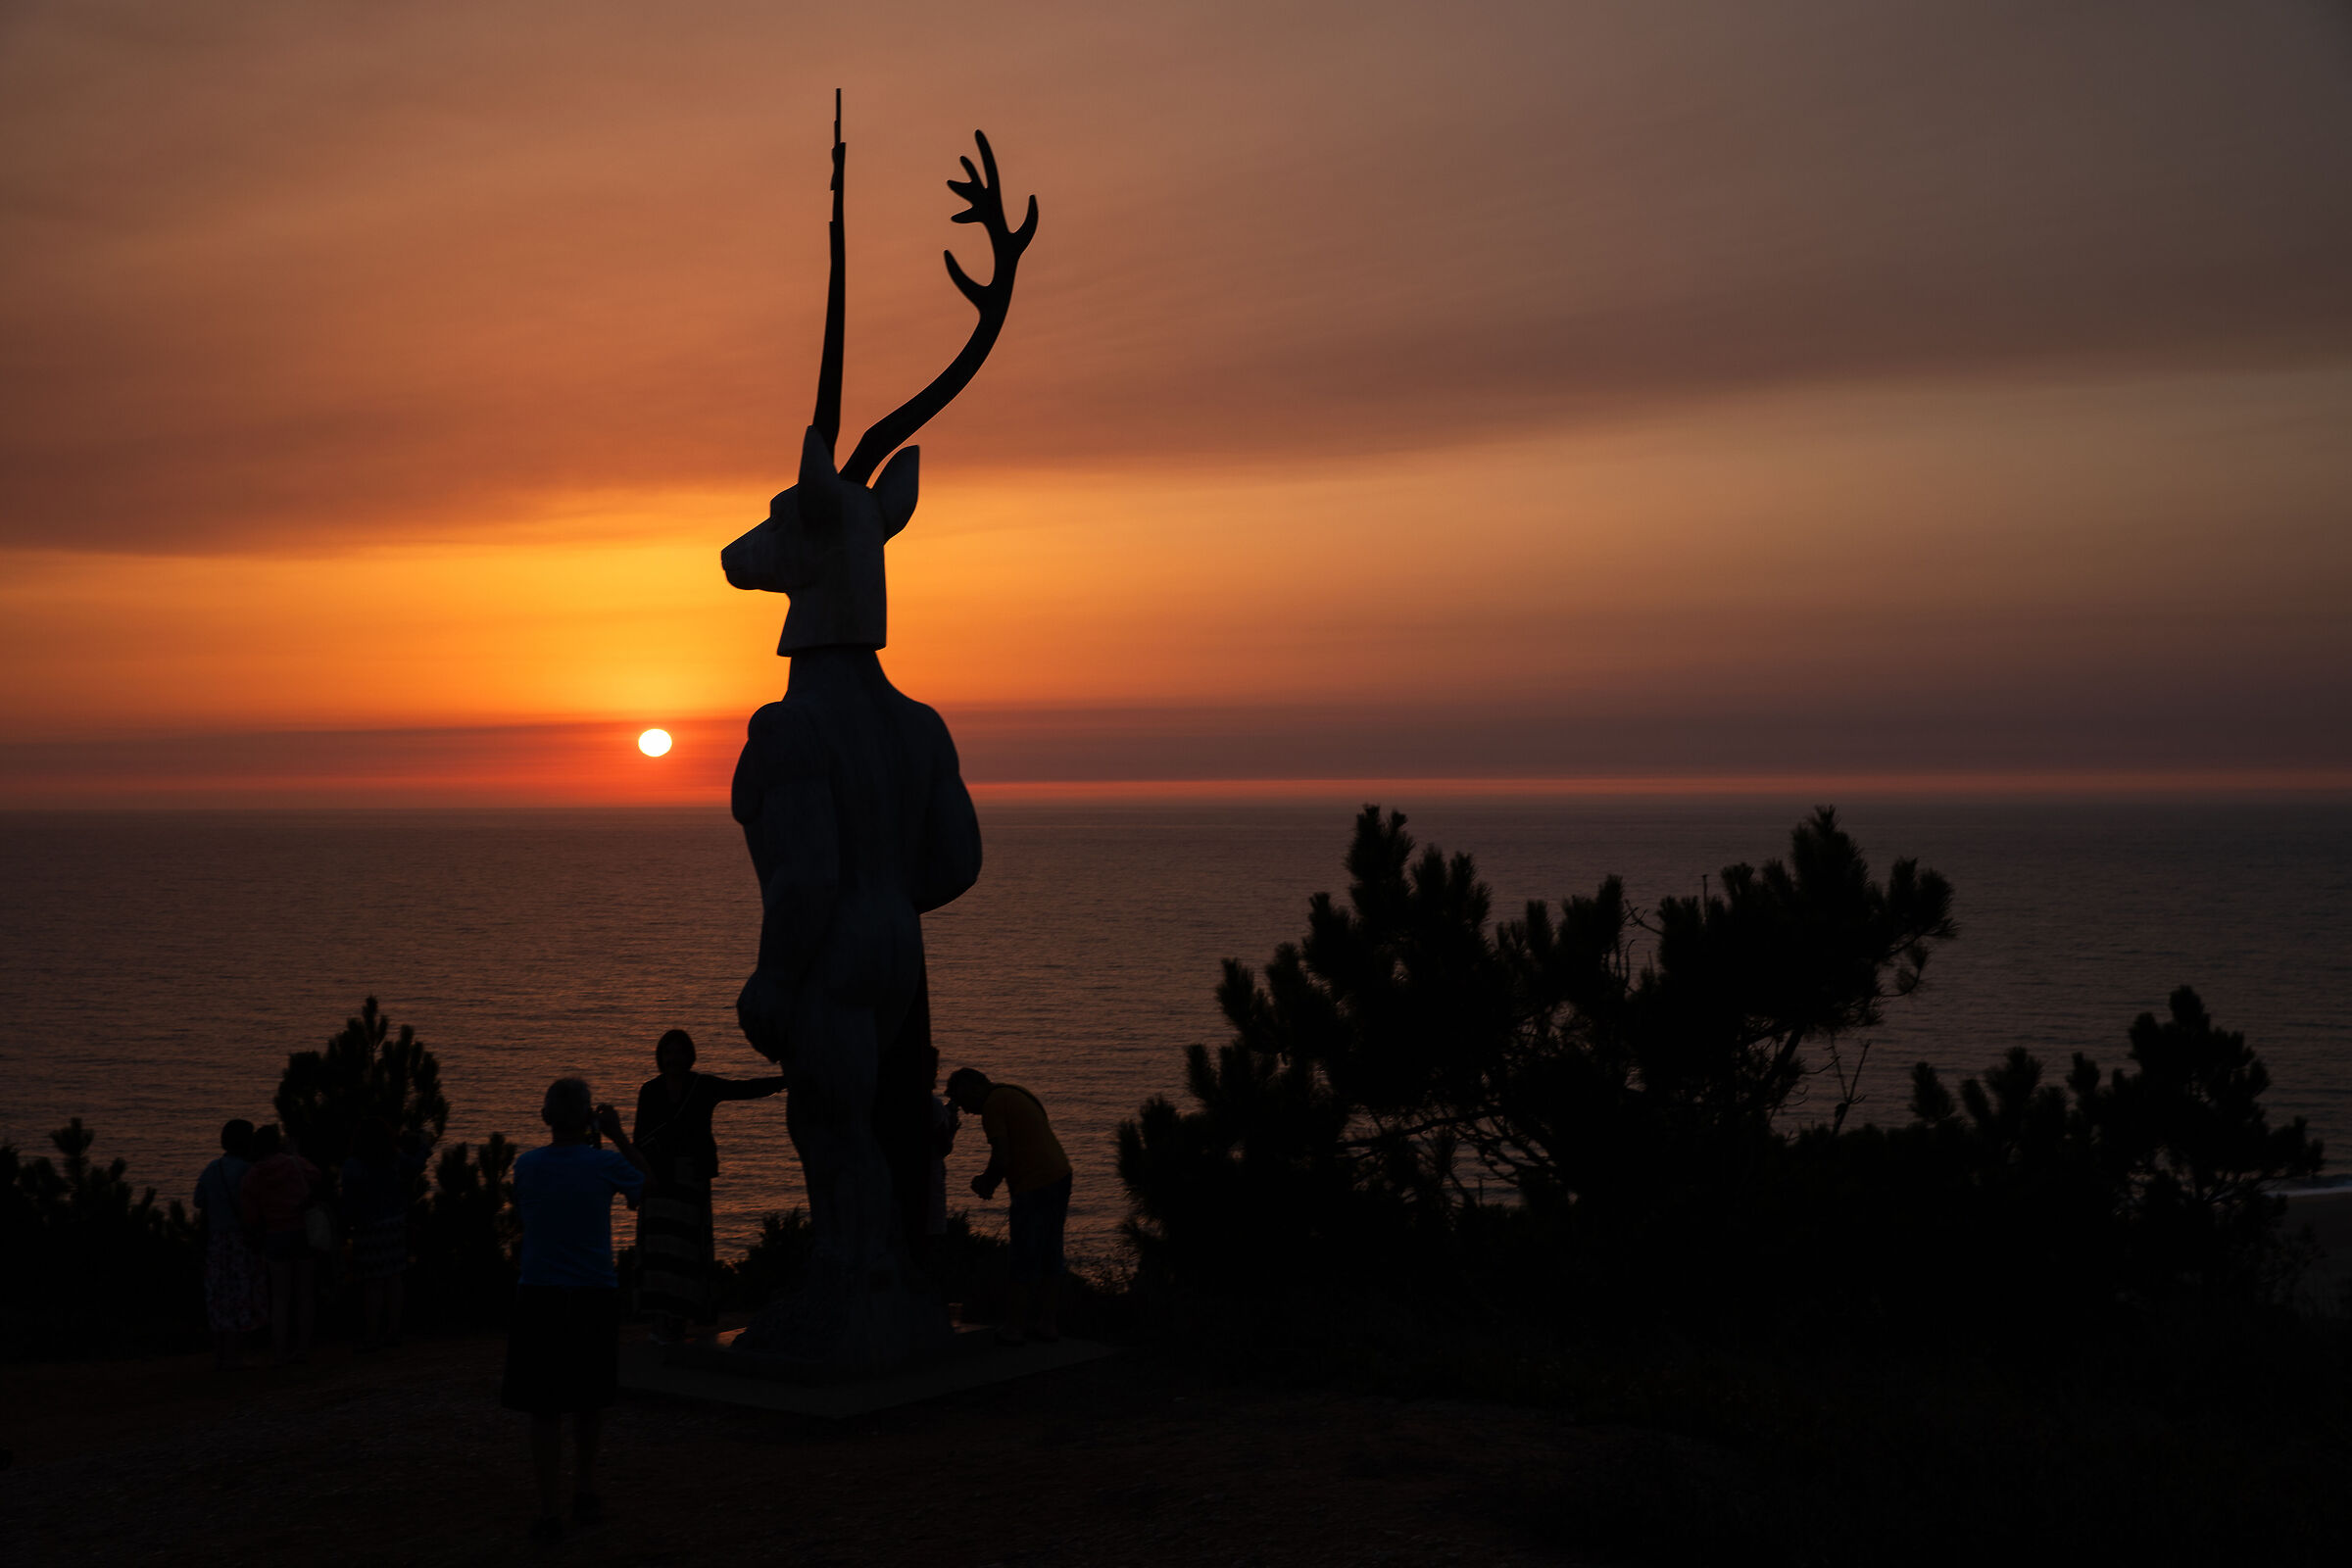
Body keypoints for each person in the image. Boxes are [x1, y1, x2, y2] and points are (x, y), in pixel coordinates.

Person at [503, 1076, 648, 1544]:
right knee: (588, 1400)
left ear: (545, 1118)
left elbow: (526, 1217)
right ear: (587, 1117)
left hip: (539, 1294)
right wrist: (618, 1135)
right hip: (592, 1293)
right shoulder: (605, 1164)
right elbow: (649, 1184)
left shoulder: (526, 1167)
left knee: (545, 1409)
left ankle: (548, 1511)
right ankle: (584, 1491)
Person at [630, 1028, 783, 1344]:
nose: (673, 1059)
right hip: (659, 1184)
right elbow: (639, 1140)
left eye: (679, 1053)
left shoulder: (703, 1086)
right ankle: (660, 1323)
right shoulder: (650, 1090)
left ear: (689, 1057)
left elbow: (745, 1089)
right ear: (661, 1057)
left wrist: (785, 1080)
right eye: (668, 1053)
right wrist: (645, 1176)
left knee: (686, 1254)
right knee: (659, 1255)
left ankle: (678, 1323)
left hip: (690, 1181)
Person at [945, 1067, 1072, 1345]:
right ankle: (1047, 1324)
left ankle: (1014, 1328)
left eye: (963, 1101)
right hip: (1060, 1174)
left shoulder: (992, 1106)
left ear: (971, 1089)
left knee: (1022, 1254)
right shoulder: (1016, 1092)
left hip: (1034, 1183)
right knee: (1051, 1251)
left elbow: (1002, 1156)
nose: (966, 1111)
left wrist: (986, 1183)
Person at [238, 1124, 321, 1365]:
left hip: (275, 1236)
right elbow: (317, 1176)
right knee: (305, 1294)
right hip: (302, 1232)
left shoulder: (253, 1175)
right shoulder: (294, 1163)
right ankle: (303, 1348)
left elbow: (250, 1216)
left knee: (280, 1298)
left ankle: (280, 1351)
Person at [341, 1121, 428, 1351]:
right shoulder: (395, 1159)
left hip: (367, 1229)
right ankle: (393, 1331)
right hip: (394, 1226)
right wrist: (424, 1146)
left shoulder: (352, 1165)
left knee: (373, 1283)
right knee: (394, 1279)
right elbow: (416, 1166)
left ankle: (371, 1335)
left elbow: (348, 1201)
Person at [194, 1118, 268, 1369]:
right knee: (240, 1298)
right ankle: (236, 1357)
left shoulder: (211, 1169)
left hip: (216, 1242)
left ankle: (219, 1357)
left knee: (218, 1300)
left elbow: (199, 1202)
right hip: (240, 1242)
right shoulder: (248, 1171)